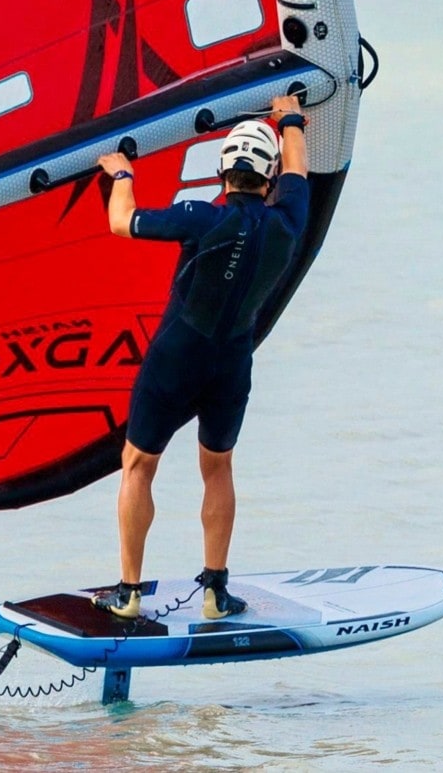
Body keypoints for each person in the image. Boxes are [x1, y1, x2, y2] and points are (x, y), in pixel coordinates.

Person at [88, 95, 311, 621]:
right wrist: (293, 117)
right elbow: (298, 167)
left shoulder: (199, 218)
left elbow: (122, 222)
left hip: (174, 360)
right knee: (218, 468)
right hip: (231, 365)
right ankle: (215, 590)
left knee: (139, 465)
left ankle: (128, 593)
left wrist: (122, 174)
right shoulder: (289, 222)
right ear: (269, 177)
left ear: (222, 173)